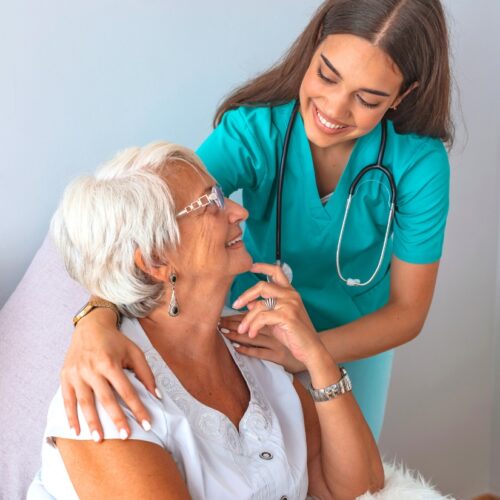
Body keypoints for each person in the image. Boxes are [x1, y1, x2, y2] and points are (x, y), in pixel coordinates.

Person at [61, 0, 452, 441]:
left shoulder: (419, 164)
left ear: (402, 95)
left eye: (367, 99)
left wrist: (308, 352)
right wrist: (95, 317)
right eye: (327, 75)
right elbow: (155, 224)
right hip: (252, 327)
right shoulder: (254, 132)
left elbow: (407, 311)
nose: (334, 108)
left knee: (353, 469)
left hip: (354, 340)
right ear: (315, 45)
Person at [27, 142, 383, 499]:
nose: (239, 212)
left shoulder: (252, 342)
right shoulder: (108, 397)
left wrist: (317, 359)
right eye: (210, 203)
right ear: (155, 259)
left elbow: (356, 488)